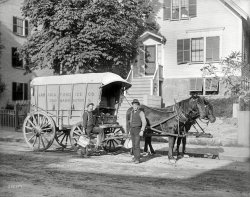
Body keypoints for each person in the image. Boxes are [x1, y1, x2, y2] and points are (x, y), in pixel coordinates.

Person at [128, 99, 146, 164]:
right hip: (132, 130)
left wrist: (142, 130)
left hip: (138, 130)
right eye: (133, 105)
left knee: (137, 145)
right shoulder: (132, 112)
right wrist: (130, 130)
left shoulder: (141, 112)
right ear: (132, 105)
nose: (135, 106)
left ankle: (138, 159)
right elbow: (130, 121)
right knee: (133, 144)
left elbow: (144, 122)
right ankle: (135, 157)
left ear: (138, 106)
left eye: (136, 105)